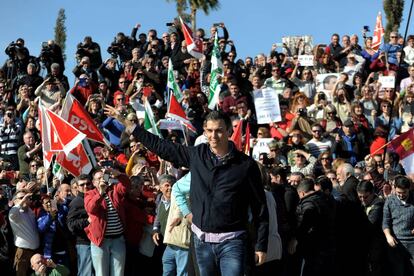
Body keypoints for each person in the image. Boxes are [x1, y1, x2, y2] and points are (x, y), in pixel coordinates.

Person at [105, 108, 269, 276]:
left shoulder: (246, 165)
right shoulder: (197, 155)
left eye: (219, 130)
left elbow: (260, 207)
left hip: (232, 242)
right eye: (210, 131)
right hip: (202, 241)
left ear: (229, 131)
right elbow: (161, 146)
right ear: (204, 132)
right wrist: (126, 123)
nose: (214, 136)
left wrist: (261, 245)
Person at [84, 168, 130, 276]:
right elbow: (91, 208)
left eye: (103, 177)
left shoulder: (114, 190)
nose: (101, 180)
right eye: (98, 178)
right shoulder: (90, 194)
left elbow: (126, 186)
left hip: (118, 240)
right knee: (101, 273)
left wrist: (118, 174)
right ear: (94, 182)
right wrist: (100, 193)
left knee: (118, 273)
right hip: (100, 242)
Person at [293, 178, 336, 276]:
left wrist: (295, 239)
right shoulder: (325, 198)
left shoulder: (308, 203)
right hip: (328, 245)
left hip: (314, 248)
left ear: (302, 193)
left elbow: (305, 224)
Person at [383, 176, 414, 276]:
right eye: (398, 193)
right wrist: (388, 236)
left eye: (404, 193)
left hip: (412, 242)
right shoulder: (390, 201)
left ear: (409, 189)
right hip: (396, 242)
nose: (401, 195)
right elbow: (385, 222)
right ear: (394, 189)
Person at [67, 175, 94, 276]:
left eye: (88, 184)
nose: (86, 186)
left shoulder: (96, 197)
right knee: (86, 273)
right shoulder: (76, 203)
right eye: (82, 185)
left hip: (98, 242)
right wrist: (87, 221)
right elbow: (70, 225)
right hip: (84, 243)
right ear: (77, 187)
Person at [9, 189, 40, 276]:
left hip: (36, 251)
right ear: (15, 201)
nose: (25, 199)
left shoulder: (30, 212)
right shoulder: (16, 214)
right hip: (23, 252)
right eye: (21, 197)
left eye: (27, 197)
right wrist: (22, 201)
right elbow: (11, 214)